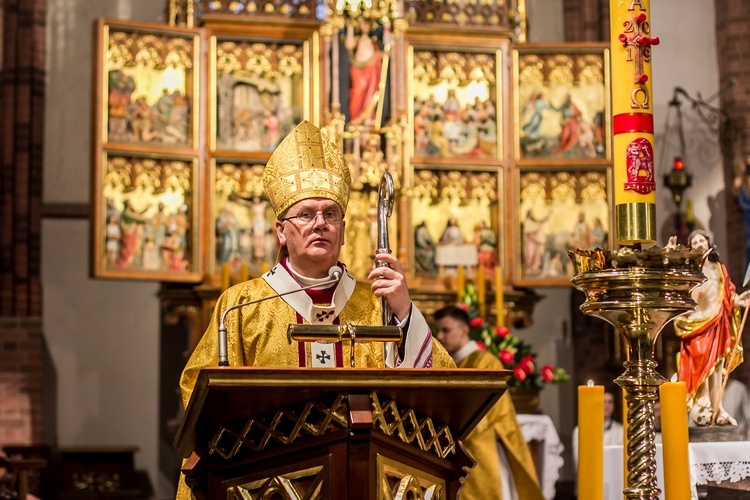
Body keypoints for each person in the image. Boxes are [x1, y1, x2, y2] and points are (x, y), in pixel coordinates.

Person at [178, 121, 455, 498]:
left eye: (331, 214)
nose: (320, 224)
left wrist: (405, 310)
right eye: (306, 214)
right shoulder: (242, 306)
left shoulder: (376, 303)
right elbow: (198, 392)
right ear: (281, 230)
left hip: (364, 482)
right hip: (265, 483)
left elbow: (442, 388)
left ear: (343, 229)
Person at [434, 306, 542, 500]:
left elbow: (492, 409)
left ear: (464, 330)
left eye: (446, 330)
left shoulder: (485, 361)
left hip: (479, 449)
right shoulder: (448, 362)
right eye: (438, 331)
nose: (440, 336)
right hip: (452, 447)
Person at [674, 230, 750, 426]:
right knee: (702, 365)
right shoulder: (690, 271)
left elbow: (724, 294)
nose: (699, 243)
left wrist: (737, 301)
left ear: (709, 244)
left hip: (717, 324)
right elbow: (688, 298)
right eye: (695, 241)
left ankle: (718, 407)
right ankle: (703, 402)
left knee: (717, 367)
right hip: (698, 324)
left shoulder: (718, 268)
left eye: (702, 240)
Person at [571, 391, 623, 465]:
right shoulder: (580, 430)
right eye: (604, 401)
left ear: (613, 407)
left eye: (610, 402)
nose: (607, 405)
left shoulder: (621, 430)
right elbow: (578, 461)